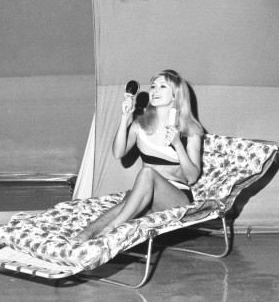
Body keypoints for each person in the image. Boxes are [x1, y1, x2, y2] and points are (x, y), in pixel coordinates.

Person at [75, 69, 204, 242]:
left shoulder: (190, 130)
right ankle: (84, 235)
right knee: (126, 202)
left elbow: (193, 177)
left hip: (176, 200)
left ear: (175, 95)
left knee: (146, 173)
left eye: (162, 86)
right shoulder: (140, 124)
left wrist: (177, 144)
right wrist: (125, 117)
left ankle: (111, 229)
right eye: (153, 86)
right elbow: (118, 152)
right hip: (147, 195)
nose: (155, 90)